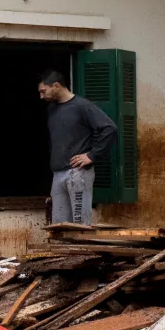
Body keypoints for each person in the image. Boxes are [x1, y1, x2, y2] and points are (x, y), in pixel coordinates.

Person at [38, 70, 117, 225]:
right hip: (57, 173)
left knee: (80, 224)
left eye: (43, 91)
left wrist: (92, 156)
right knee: (59, 226)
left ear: (56, 86)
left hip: (77, 173)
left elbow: (109, 128)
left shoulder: (82, 105)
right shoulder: (52, 109)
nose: (41, 96)